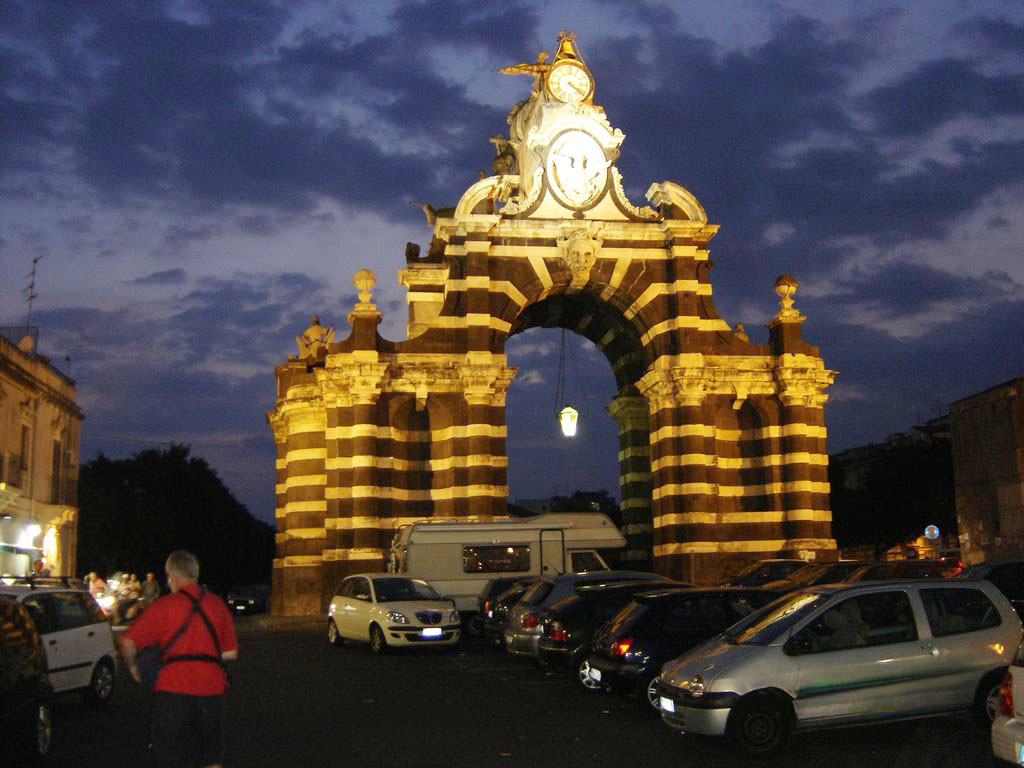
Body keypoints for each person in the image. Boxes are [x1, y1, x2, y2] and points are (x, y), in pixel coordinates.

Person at [116, 550, 238, 768]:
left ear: (171, 576)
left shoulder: (163, 606)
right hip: (211, 689)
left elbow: (126, 642)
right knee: (211, 754)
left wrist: (133, 667)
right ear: (195, 575)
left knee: (170, 755)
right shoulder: (217, 605)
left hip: (173, 691)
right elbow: (230, 653)